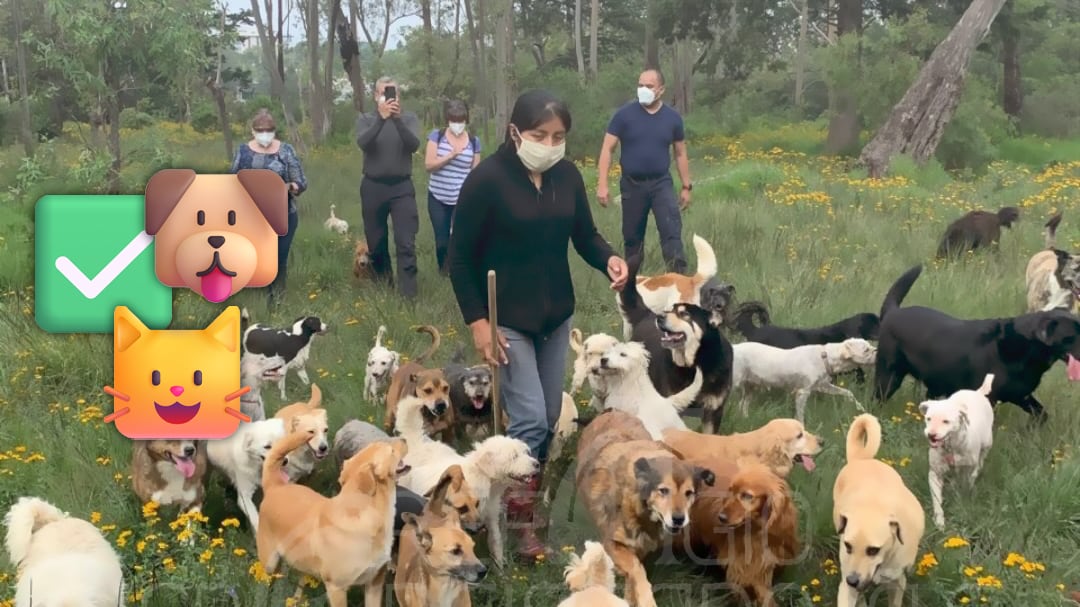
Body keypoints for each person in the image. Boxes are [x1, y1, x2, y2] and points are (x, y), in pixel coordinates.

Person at [447, 89, 628, 561]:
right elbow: (459, 258)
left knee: (547, 417)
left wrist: (608, 258)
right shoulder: (486, 180)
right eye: (539, 135)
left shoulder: (566, 177)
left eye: (558, 136)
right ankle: (519, 521)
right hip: (507, 321)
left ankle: (519, 491)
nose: (549, 145)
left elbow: (584, 234)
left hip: (555, 317)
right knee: (529, 418)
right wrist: (479, 323)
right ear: (515, 132)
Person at [596, 68, 693, 273]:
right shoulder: (623, 115)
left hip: (661, 184)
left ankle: (678, 282)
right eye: (640, 85)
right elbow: (607, 149)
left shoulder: (673, 118)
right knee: (632, 239)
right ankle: (631, 282)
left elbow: (680, 153)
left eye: (649, 86)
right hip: (632, 184)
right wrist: (602, 184)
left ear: (661, 90)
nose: (643, 90)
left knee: (671, 234)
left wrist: (686, 186)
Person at [229, 108, 307, 304]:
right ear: (253, 131)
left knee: (278, 259)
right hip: (252, 217)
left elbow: (300, 181)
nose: (265, 134)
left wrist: (289, 187)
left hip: (283, 215)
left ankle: (277, 300)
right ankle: (255, 298)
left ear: (274, 131)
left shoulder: (286, 151)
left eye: (269, 130)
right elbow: (232, 180)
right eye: (260, 130)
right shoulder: (243, 152)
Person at [355, 76, 422, 299]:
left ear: (398, 96)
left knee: (406, 242)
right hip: (373, 187)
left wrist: (397, 120)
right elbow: (363, 143)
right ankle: (385, 285)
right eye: (384, 93)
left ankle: (408, 295)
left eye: (392, 93)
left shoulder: (409, 119)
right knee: (376, 243)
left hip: (402, 188)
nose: (388, 97)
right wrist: (381, 120)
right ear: (376, 96)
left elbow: (413, 145)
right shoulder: (366, 120)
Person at [424, 99, 481, 275]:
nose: (457, 124)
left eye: (460, 120)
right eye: (454, 120)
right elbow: (429, 165)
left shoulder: (474, 141)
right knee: (442, 240)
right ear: (448, 120)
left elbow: (475, 173)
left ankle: (459, 270)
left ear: (466, 120)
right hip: (438, 197)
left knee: (458, 237)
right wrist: (450, 156)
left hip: (461, 199)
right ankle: (444, 270)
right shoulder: (437, 136)